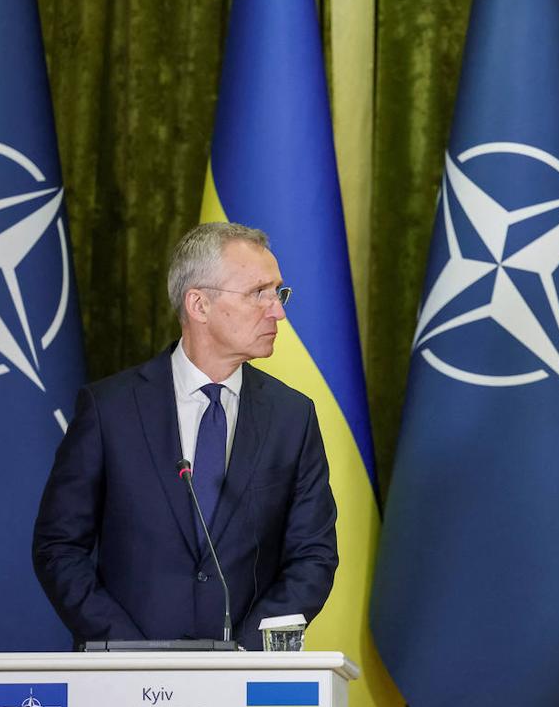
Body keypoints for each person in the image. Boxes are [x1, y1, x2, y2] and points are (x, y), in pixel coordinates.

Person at [33, 221, 337, 647]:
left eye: (278, 293)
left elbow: (313, 556)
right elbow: (59, 547)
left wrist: (245, 653)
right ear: (199, 304)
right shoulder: (109, 409)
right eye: (258, 294)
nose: (278, 311)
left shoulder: (292, 416)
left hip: (244, 679)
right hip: (123, 683)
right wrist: (126, 648)